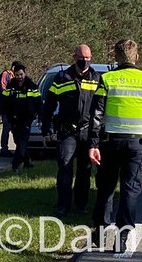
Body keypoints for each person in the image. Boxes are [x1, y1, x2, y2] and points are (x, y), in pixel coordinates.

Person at [87, 39, 142, 252]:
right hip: (136, 144)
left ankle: (101, 230)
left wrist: (92, 143)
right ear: (137, 57)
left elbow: (96, 115)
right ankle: (122, 237)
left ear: (116, 57)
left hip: (109, 142)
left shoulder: (107, 79)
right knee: (130, 190)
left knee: (106, 188)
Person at [42, 44, 101, 218]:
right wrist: (46, 129)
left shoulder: (96, 78)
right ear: (74, 57)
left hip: (87, 131)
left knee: (85, 171)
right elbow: (49, 106)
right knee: (65, 169)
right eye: (82, 58)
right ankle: (63, 206)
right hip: (67, 131)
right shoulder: (62, 78)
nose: (85, 61)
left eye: (88, 58)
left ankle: (81, 205)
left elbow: (101, 107)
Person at [0, 62, 40, 171]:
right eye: (17, 75)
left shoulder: (31, 86)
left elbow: (38, 103)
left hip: (26, 119)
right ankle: (28, 162)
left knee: (23, 142)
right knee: (18, 142)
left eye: (21, 75)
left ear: (25, 74)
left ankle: (16, 164)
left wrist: (39, 116)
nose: (19, 77)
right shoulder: (11, 86)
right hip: (13, 119)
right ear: (14, 74)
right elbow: (3, 101)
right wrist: (2, 114)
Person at [0, 63, 15, 157]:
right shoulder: (6, 74)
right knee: (6, 129)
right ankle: (4, 149)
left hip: (12, 107)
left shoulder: (13, 76)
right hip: (6, 108)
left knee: (14, 129)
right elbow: (2, 91)